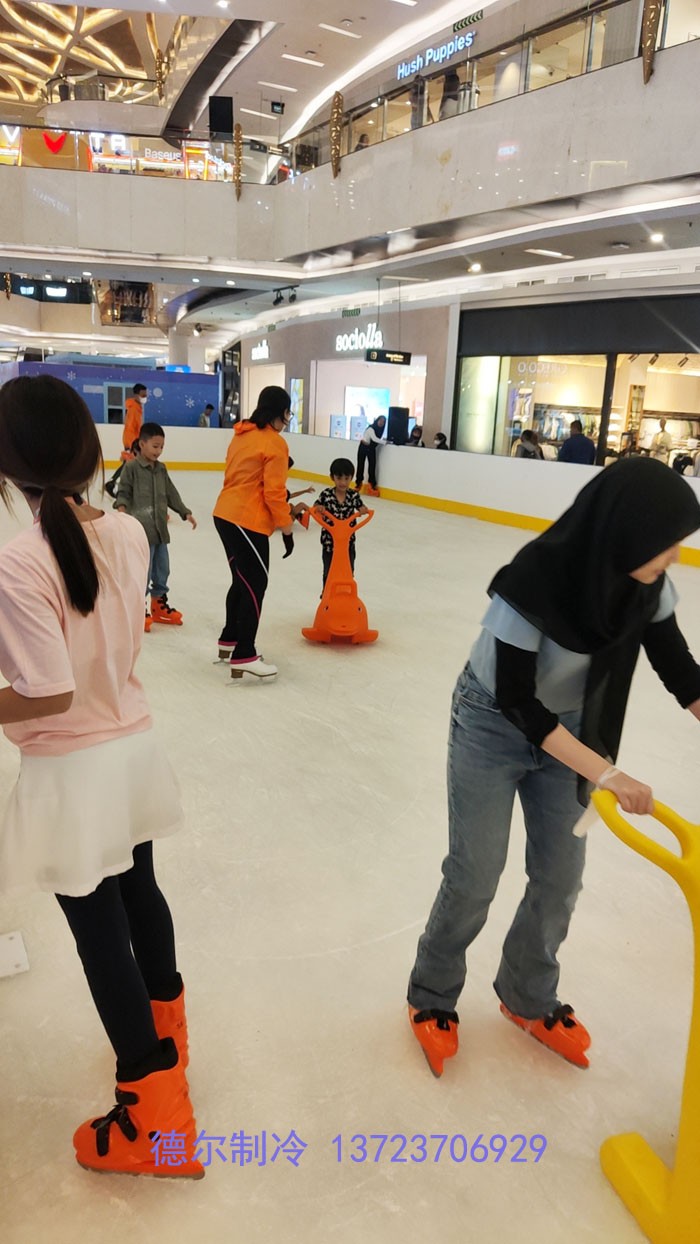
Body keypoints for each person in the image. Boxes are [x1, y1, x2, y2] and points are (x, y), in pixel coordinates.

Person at [407, 458, 700, 1078]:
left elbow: (681, 671)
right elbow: (518, 702)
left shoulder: (645, 587)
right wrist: (609, 775)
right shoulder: (535, 578)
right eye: (667, 543)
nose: (674, 556)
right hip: (492, 721)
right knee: (476, 873)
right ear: (627, 533)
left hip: (572, 731)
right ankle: (432, 992)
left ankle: (527, 994)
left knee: (560, 877)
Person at [0, 375, 202, 1178]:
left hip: (74, 768)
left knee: (98, 931)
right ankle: (167, 1042)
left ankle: (154, 1116)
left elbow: (48, 690)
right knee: (140, 895)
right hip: (130, 750)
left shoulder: (22, 560)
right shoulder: (123, 531)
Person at [212, 385, 294, 678]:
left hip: (224, 514)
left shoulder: (242, 435)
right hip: (247, 519)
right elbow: (274, 493)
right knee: (255, 584)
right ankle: (244, 653)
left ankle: (229, 639)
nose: (287, 420)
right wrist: (287, 526)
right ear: (279, 413)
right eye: (287, 414)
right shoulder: (274, 443)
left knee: (241, 580)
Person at [115, 422, 197, 631]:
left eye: (161, 447)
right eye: (155, 446)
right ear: (142, 444)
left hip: (160, 530)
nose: (158, 451)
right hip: (141, 531)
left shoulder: (161, 469)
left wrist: (184, 511)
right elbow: (123, 491)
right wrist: (122, 511)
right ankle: (138, 608)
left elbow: (171, 492)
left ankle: (158, 604)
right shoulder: (132, 468)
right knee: (143, 571)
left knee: (162, 569)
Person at [313, 458, 369, 588]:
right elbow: (315, 506)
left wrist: (363, 509)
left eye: (346, 478)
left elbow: (361, 506)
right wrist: (319, 508)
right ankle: (326, 592)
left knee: (348, 569)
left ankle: (346, 591)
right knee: (329, 570)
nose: (343, 482)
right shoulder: (326, 494)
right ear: (332, 477)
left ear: (351, 478)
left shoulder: (353, 496)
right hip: (329, 542)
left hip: (347, 542)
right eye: (339, 478)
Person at [105, 384, 148, 497]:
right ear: (136, 395)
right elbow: (130, 427)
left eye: (146, 394)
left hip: (134, 440)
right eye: (143, 395)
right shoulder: (134, 409)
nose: (145, 397)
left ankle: (115, 483)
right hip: (132, 441)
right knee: (130, 464)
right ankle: (112, 483)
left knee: (130, 464)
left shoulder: (137, 407)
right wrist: (132, 445)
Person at [355, 415, 386, 496]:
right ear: (377, 420)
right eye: (380, 420)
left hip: (371, 448)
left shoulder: (379, 430)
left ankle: (371, 484)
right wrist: (385, 442)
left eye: (383, 422)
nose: (381, 423)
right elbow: (374, 439)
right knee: (360, 464)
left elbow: (376, 440)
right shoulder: (371, 428)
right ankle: (358, 484)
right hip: (363, 446)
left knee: (372, 465)